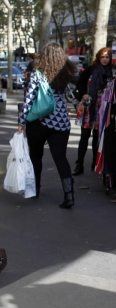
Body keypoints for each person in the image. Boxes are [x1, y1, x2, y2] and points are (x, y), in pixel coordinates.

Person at [18, 43, 75, 208]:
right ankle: (69, 196)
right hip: (61, 122)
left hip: (39, 121)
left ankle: (35, 189)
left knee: (36, 156)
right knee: (61, 158)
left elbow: (29, 99)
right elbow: (70, 96)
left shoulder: (37, 74)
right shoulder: (65, 74)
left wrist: (21, 121)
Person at [72, 47, 113, 176]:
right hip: (89, 106)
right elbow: (79, 84)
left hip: (102, 107)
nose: (105, 59)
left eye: (107, 57)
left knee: (98, 137)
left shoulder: (112, 72)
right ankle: (79, 164)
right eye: (103, 57)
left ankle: (96, 163)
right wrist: (83, 94)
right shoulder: (90, 70)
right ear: (98, 57)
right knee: (84, 136)